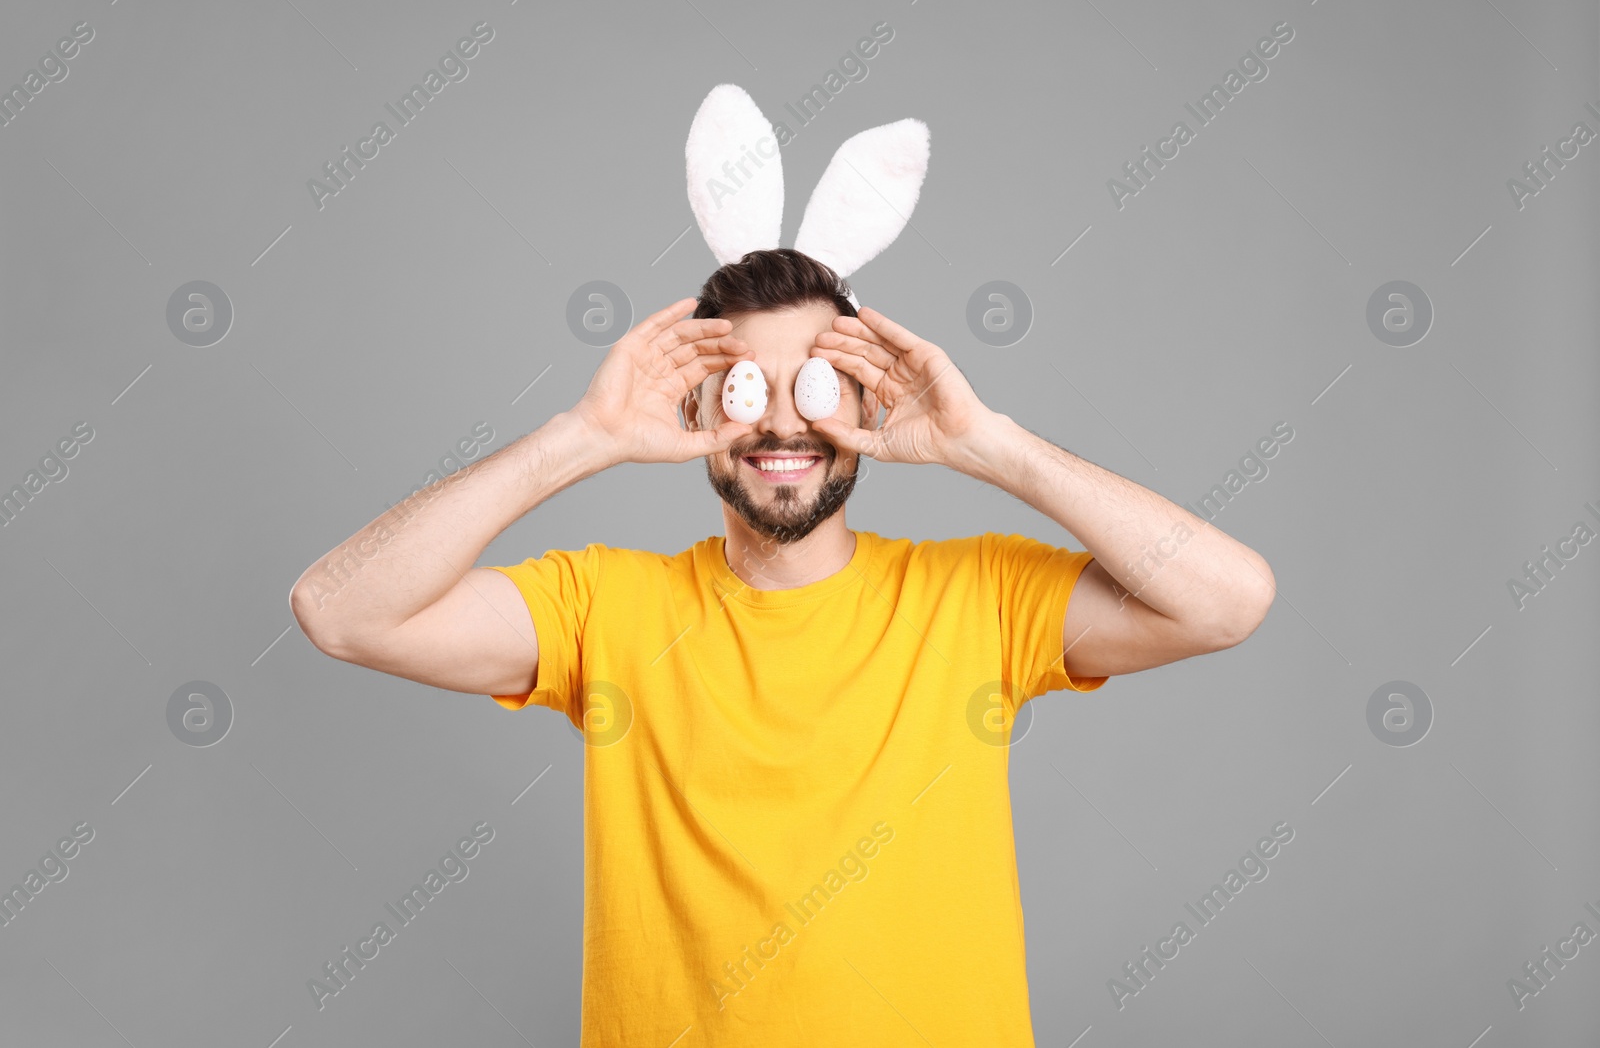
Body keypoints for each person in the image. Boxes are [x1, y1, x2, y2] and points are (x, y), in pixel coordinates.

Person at [290, 248, 1275, 1046]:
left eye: (816, 381)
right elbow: (340, 609)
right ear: (694, 408)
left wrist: (988, 442)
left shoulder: (977, 595)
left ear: (867, 399)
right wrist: (581, 436)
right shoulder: (605, 604)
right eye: (743, 387)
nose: (782, 421)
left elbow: (1226, 599)